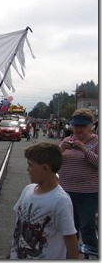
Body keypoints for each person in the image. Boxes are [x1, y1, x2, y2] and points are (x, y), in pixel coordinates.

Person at [9, 142, 78, 259]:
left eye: (30, 165)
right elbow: (18, 228)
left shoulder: (61, 201)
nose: (27, 169)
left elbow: (70, 238)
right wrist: (10, 253)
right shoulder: (28, 190)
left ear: (45, 168)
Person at [59, 108, 98, 250]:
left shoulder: (97, 142)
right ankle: (70, 255)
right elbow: (54, 165)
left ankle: (92, 254)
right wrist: (59, 150)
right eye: (75, 126)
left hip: (88, 193)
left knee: (87, 226)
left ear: (90, 127)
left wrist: (85, 151)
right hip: (65, 192)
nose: (77, 129)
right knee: (69, 228)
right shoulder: (66, 140)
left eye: (82, 126)